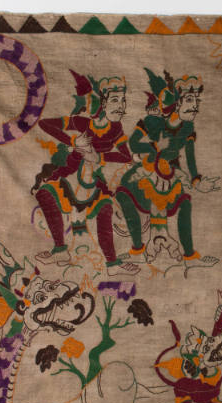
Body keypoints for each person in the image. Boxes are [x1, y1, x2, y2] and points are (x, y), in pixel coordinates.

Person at [31, 71, 136, 276]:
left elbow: (126, 156)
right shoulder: (82, 123)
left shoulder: (116, 129)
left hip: (95, 179)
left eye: (123, 101)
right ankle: (60, 250)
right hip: (72, 173)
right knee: (44, 193)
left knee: (105, 210)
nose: (121, 107)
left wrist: (100, 158)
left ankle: (112, 264)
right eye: (115, 100)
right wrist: (72, 141)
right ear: (103, 103)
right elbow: (44, 124)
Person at [116, 70, 220, 270]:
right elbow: (134, 143)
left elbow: (190, 155)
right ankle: (137, 251)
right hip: (148, 169)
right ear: (177, 103)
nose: (195, 106)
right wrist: (155, 147)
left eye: (196, 101)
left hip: (171, 173)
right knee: (122, 193)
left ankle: (190, 256)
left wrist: (196, 180)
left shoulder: (188, 127)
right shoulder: (153, 122)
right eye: (189, 100)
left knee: (185, 203)